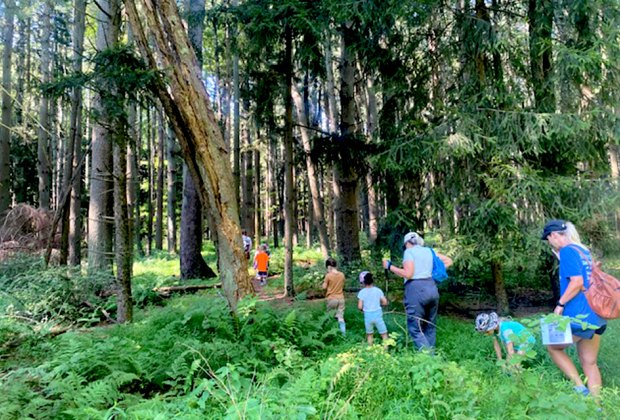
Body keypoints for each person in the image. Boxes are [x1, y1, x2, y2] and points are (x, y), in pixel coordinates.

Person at [541, 219, 607, 397]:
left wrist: (560, 304)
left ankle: (580, 388)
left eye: (549, 240)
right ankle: (596, 407)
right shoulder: (583, 250)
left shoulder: (568, 251)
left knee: (553, 347)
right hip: (597, 314)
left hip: (580, 315)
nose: (550, 245)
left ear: (554, 235)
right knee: (589, 362)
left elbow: (577, 282)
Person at [382, 231, 452, 351]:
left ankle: (429, 358)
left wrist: (389, 267)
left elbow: (408, 274)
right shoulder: (429, 251)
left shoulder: (409, 252)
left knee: (415, 328)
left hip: (415, 290)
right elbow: (449, 261)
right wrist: (432, 273)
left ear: (407, 243)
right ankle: (432, 357)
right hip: (431, 287)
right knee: (430, 325)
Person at [357, 271, 389, 345]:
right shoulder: (378, 290)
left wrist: (362, 310)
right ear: (372, 280)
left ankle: (370, 350)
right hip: (378, 315)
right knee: (384, 334)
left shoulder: (362, 292)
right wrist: (380, 304)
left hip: (368, 316)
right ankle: (385, 351)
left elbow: (360, 306)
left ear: (363, 282)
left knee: (369, 335)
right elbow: (385, 302)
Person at [322, 257, 346, 335]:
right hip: (341, 299)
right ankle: (343, 334)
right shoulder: (342, 275)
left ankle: (331, 333)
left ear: (329, 266)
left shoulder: (328, 276)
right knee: (340, 317)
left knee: (329, 316)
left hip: (332, 299)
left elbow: (324, 287)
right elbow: (343, 285)